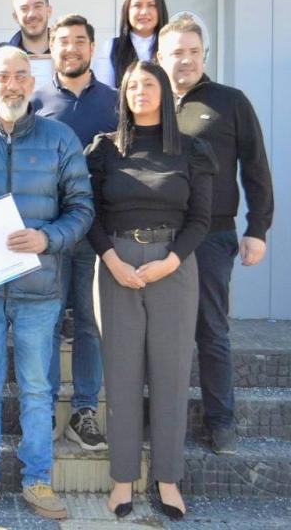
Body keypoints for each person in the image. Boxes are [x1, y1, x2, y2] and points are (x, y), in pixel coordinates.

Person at [0, 46, 93, 520]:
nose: (12, 84)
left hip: (40, 291)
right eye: (2, 76)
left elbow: (83, 209)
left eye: (21, 76)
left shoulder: (60, 138)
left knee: (36, 388)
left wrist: (47, 239)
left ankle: (38, 481)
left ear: (33, 83)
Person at [85, 60, 217, 521]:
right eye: (133, 85)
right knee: (120, 376)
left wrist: (171, 261)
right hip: (116, 264)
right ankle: (123, 478)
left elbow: (201, 219)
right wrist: (112, 259)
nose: (141, 91)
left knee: (170, 375)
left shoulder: (192, 151)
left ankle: (167, 479)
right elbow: (90, 215)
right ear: (122, 93)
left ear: (163, 90)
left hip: (173, 267)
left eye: (149, 84)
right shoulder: (103, 150)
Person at [157, 16, 274, 455]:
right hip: (158, 235)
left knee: (211, 329)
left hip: (213, 235)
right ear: (159, 57)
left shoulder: (231, 102)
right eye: (175, 52)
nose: (184, 60)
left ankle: (220, 421)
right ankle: (157, 417)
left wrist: (257, 227)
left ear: (203, 54)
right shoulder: (146, 100)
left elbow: (257, 168)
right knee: (158, 330)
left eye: (192, 51)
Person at [30, 14, 117, 450]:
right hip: (49, 232)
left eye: (79, 41)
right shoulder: (36, 99)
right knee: (45, 322)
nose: (71, 48)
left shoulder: (117, 102)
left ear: (92, 46)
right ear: (51, 48)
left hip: (99, 235)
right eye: (62, 41)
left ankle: (84, 410)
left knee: (90, 323)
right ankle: (41, 408)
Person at [0, 0, 52, 114]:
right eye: (24, 8)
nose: (32, 14)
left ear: (49, 11)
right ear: (15, 17)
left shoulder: (67, 57)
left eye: (38, 6)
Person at [92, 0, 168, 89]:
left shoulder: (171, 46)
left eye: (151, 5)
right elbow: (103, 94)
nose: (144, 12)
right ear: (127, 10)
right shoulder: (111, 48)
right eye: (137, 5)